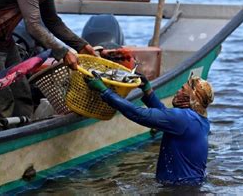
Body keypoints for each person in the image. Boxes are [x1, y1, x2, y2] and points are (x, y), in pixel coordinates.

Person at [85, 73, 214, 186]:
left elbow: (139, 114)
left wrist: (105, 91)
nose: (178, 91)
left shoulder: (183, 118)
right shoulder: (201, 121)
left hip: (179, 189)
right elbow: (165, 116)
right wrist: (148, 90)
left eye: (182, 89)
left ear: (190, 98)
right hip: (191, 186)